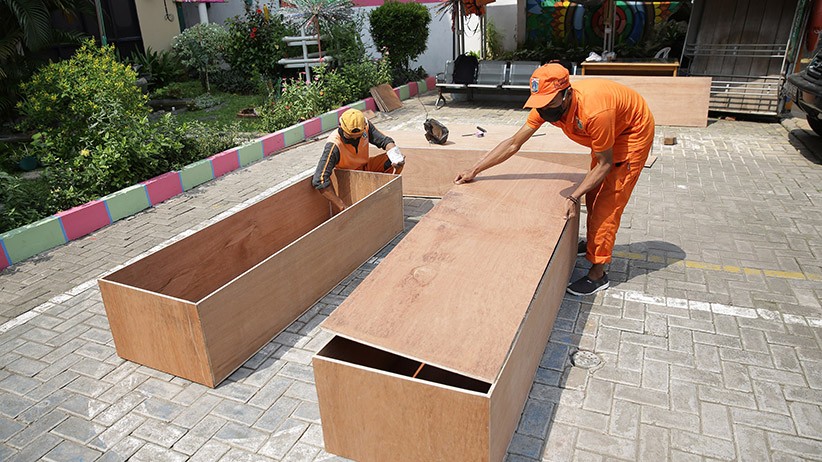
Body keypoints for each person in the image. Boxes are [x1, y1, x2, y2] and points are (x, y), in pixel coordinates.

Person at [454, 63, 654, 296]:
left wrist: (573, 196)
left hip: (630, 134)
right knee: (592, 195)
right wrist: (475, 170)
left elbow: (605, 164)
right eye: (541, 103)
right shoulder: (544, 105)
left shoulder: (594, 112)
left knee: (606, 205)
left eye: (550, 103)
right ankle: (592, 243)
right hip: (610, 131)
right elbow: (514, 143)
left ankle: (598, 274)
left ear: (566, 93)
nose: (545, 110)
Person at [312, 109, 404, 212]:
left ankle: (386, 196)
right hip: (350, 178)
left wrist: (396, 157)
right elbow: (320, 179)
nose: (355, 140)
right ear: (340, 127)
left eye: (358, 137)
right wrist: (342, 206)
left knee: (395, 158)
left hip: (365, 167)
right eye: (350, 137)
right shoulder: (334, 145)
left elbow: (385, 141)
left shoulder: (366, 126)